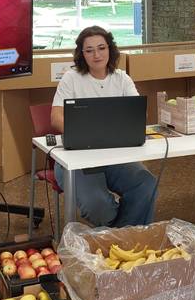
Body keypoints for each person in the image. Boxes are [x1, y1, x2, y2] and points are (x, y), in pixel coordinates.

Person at [50, 26, 157, 227]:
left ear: (110, 49)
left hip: (114, 154)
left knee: (146, 184)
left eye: (101, 48)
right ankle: (120, 230)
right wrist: (87, 135)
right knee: (98, 205)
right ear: (82, 54)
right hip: (77, 158)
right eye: (89, 50)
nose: (96, 55)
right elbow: (56, 118)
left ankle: (122, 237)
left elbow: (137, 114)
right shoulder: (71, 78)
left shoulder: (122, 78)